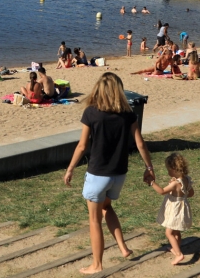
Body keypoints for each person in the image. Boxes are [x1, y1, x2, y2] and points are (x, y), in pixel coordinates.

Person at [63, 73, 155, 274]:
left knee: (94, 220)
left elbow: (82, 146)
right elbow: (140, 143)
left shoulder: (91, 113)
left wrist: (70, 169)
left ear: (98, 90)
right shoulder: (128, 114)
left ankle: (96, 265)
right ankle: (123, 248)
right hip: (119, 175)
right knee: (107, 207)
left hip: (98, 175)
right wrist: (149, 168)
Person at [150, 152, 194, 266]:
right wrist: (180, 194)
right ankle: (176, 247)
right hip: (182, 208)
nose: (168, 172)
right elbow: (191, 193)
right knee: (176, 230)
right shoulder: (187, 180)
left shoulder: (175, 183)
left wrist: (151, 183)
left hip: (175, 210)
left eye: (168, 169)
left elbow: (161, 191)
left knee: (168, 232)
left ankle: (179, 254)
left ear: (174, 169)